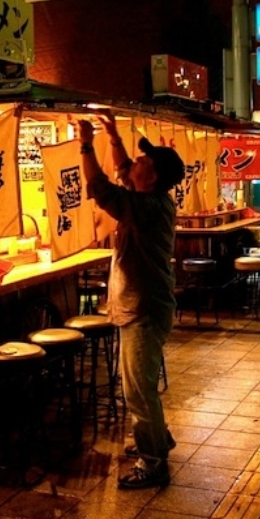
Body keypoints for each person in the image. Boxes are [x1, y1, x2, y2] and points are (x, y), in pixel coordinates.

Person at [78, 114, 184, 490]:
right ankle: (159, 438)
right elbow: (123, 171)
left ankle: (153, 463)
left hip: (144, 310)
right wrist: (112, 136)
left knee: (138, 393)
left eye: (143, 162)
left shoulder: (148, 208)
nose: (134, 164)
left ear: (152, 177)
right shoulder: (149, 197)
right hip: (141, 307)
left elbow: (102, 188)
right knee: (138, 388)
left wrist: (87, 144)